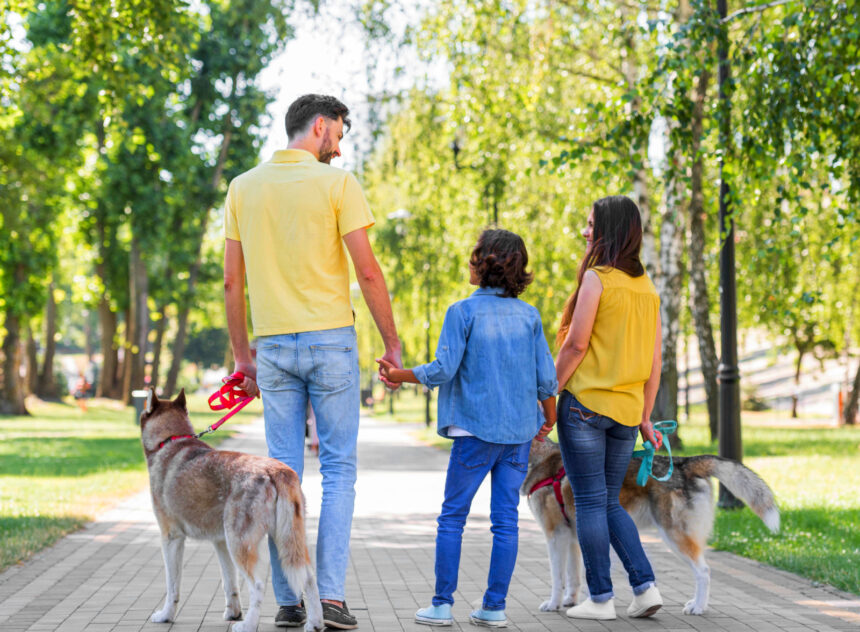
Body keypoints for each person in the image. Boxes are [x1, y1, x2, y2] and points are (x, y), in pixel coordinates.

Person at [223, 94, 402, 629]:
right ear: (319, 127)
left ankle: (287, 601)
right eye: (340, 134)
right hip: (331, 344)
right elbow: (368, 273)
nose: (340, 148)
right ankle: (330, 598)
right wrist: (392, 345)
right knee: (340, 469)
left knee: (282, 472)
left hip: (272, 347)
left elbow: (234, 281)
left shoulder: (242, 188)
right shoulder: (338, 186)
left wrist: (241, 357)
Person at [377, 229, 557, 628]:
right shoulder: (529, 315)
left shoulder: (462, 312)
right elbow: (547, 379)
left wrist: (399, 374)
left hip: (474, 433)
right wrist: (548, 418)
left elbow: (443, 369)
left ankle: (441, 605)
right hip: (517, 437)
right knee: (505, 520)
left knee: (453, 517)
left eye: (473, 255)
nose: (469, 262)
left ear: (486, 262)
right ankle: (494, 607)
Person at [548, 195, 664, 621]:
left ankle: (599, 599)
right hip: (626, 414)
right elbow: (655, 365)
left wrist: (545, 395)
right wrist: (645, 417)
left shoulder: (597, 279)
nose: (585, 230)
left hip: (585, 409)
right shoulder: (647, 289)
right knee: (609, 502)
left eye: (591, 223)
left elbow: (576, 345)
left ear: (609, 230)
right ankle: (645, 587)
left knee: (592, 503)